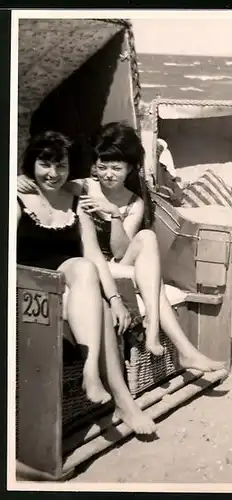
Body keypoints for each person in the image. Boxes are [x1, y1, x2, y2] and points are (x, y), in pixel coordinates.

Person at [18, 123, 227, 374]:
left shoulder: (133, 202)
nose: (108, 174)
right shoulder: (80, 187)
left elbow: (120, 252)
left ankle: (161, 335)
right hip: (87, 261)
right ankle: (181, 348)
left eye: (116, 168)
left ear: (129, 169)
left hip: (116, 263)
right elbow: (47, 191)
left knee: (147, 237)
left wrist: (114, 215)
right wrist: (20, 179)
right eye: (102, 166)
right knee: (151, 279)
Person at [17, 130, 156, 435]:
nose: (53, 174)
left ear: (70, 168)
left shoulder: (76, 200)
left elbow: (93, 254)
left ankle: (91, 370)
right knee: (99, 310)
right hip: (29, 286)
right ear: (32, 162)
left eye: (61, 166)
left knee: (84, 269)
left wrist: (117, 300)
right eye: (45, 163)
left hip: (70, 283)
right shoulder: (17, 197)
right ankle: (124, 401)